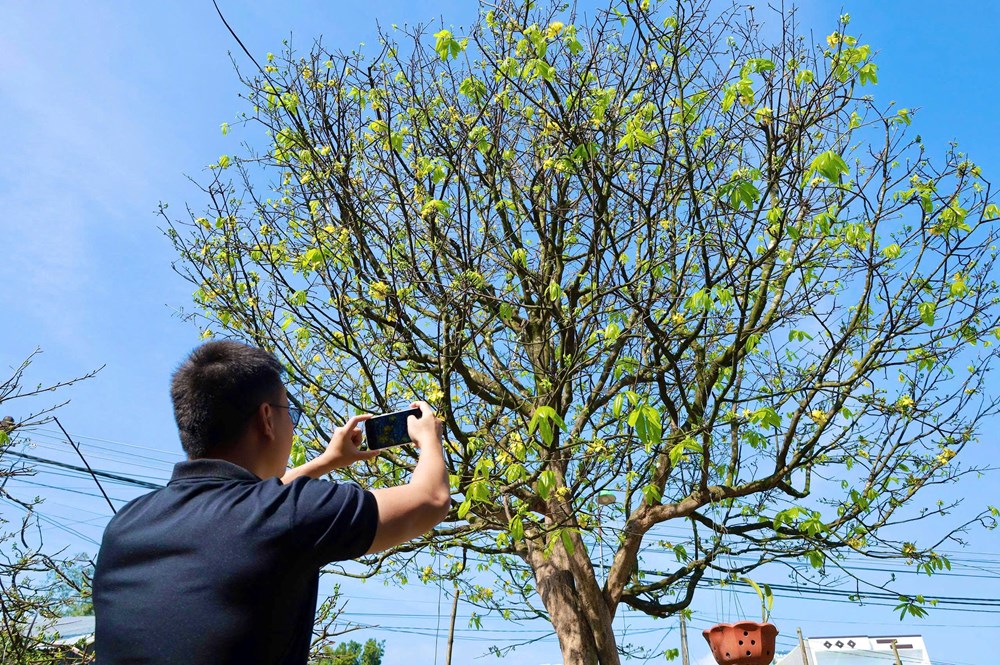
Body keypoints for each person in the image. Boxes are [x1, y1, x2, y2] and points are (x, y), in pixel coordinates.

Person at [93, 341, 450, 664]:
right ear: (267, 418)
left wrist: (327, 461)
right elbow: (431, 499)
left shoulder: (125, 525)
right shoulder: (288, 514)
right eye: (289, 412)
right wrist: (429, 439)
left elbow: (251, 509)